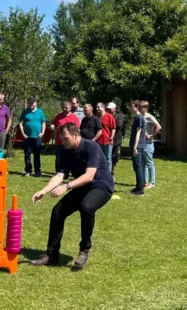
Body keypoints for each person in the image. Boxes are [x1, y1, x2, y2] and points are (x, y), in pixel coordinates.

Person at [30, 123, 113, 271]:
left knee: (86, 206)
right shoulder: (66, 150)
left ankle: (84, 250)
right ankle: (52, 255)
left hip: (101, 186)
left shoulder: (91, 147)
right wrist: (45, 189)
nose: (63, 141)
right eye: (61, 138)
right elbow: (60, 175)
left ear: (76, 135)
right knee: (57, 212)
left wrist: (66, 187)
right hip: (82, 186)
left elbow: (89, 176)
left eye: (66, 138)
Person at [19, 97, 47, 177]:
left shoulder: (40, 112)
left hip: (37, 137)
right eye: (29, 103)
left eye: (32, 103)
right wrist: (23, 134)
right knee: (27, 154)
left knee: (37, 154)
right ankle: (28, 171)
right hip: (27, 137)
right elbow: (21, 123)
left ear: (35, 103)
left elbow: (43, 123)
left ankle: (37, 171)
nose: (31, 104)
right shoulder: (25, 112)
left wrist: (42, 132)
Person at [52, 101, 80, 178]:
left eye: (66, 108)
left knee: (70, 158)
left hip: (70, 142)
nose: (65, 109)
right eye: (63, 108)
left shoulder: (74, 117)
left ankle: (68, 173)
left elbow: (77, 129)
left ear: (70, 108)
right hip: (60, 141)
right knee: (59, 158)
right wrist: (55, 128)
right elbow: (54, 126)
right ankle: (58, 172)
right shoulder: (58, 117)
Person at [141, 101, 162, 189]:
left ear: (146, 108)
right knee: (143, 164)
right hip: (142, 143)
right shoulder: (140, 116)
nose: (139, 108)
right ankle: (144, 182)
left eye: (141, 107)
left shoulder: (149, 117)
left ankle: (152, 182)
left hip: (148, 143)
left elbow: (159, 127)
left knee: (149, 163)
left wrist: (152, 135)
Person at [129, 101, 147, 196]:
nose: (130, 109)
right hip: (136, 146)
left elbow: (138, 132)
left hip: (138, 146)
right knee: (136, 167)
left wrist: (135, 147)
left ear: (136, 107)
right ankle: (138, 186)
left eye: (131, 107)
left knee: (138, 167)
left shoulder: (139, 117)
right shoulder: (137, 117)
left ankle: (140, 189)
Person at [96, 102, 116, 173]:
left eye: (99, 107)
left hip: (107, 141)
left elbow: (113, 128)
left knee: (108, 159)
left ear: (103, 108)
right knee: (99, 158)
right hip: (98, 141)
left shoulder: (109, 116)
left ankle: (108, 175)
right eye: (97, 107)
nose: (97, 109)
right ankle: (100, 173)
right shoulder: (97, 117)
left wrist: (111, 138)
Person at [107, 103, 124, 175]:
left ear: (114, 109)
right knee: (108, 155)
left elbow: (118, 125)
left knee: (115, 156)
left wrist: (109, 123)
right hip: (108, 139)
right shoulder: (106, 116)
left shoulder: (119, 116)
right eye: (108, 109)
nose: (109, 110)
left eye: (110, 108)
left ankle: (112, 171)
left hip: (116, 140)